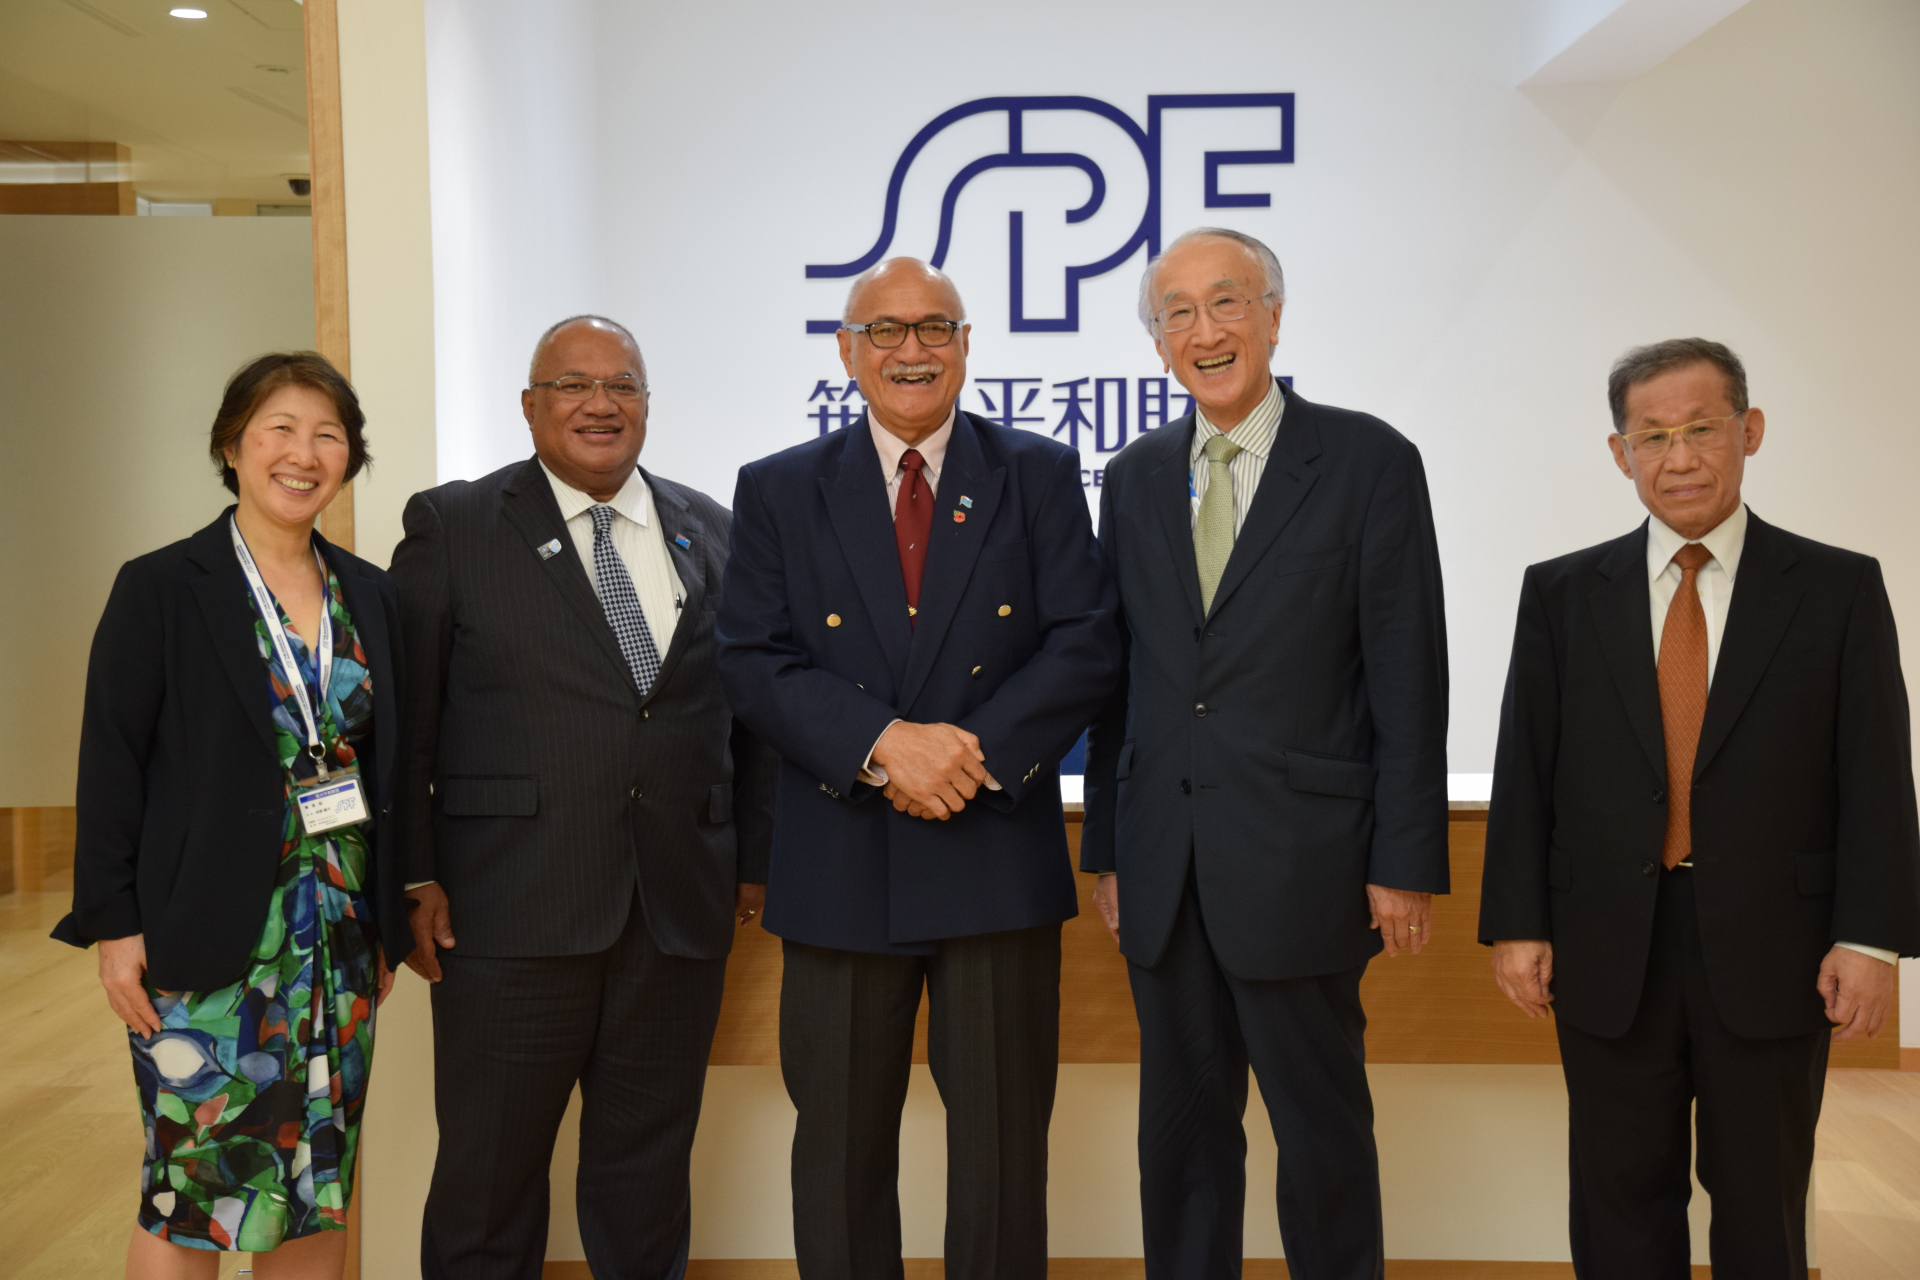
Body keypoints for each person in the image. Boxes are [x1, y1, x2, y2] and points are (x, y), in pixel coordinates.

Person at [1479, 337, 1920, 1277]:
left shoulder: (1837, 588)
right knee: (1618, 1201)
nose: (1679, 458)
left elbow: (1878, 776)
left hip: (1776, 951)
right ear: (1619, 453)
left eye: (1702, 430)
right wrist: (1516, 923)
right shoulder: (1560, 595)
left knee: (1764, 1203)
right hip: (1610, 946)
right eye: (1653, 436)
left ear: (1749, 432)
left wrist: (1872, 939)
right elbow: (1527, 769)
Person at [715, 257, 1121, 1279]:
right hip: (840, 856)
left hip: (991, 850)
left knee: (1000, 1150)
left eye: (935, 326)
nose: (913, 348)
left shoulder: (1036, 470)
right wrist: (884, 743)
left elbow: (1086, 641)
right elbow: (752, 660)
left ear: (968, 344)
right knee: (841, 1148)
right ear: (848, 352)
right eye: (886, 329)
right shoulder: (777, 488)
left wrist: (966, 751)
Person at [1080, 227, 1450, 1280]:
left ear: (1274, 318)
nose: (1205, 331)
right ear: (1157, 343)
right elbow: (1125, 678)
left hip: (1307, 861)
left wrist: (1403, 858)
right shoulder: (1136, 474)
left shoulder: (1369, 459)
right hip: (1165, 864)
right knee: (1183, 1140)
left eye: (1227, 303)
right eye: (1177, 314)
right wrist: (1110, 845)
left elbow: (1409, 673)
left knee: (1320, 1138)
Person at [389, 315, 776, 1280]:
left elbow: (751, 718)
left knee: (645, 1180)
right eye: (572, 385)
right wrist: (411, 872)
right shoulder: (456, 526)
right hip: (507, 910)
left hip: (675, 911)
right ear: (530, 406)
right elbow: (404, 723)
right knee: (489, 1181)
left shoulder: (714, 530)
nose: (600, 404)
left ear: (648, 404)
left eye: (623, 386)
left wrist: (754, 861)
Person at [56, 352, 405, 1279]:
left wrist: (389, 920)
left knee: (315, 1183)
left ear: (349, 457)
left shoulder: (371, 596)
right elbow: (111, 763)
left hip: (335, 937)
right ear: (232, 447)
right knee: (191, 1190)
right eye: (278, 430)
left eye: (327, 434)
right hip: (205, 941)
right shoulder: (163, 587)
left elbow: (393, 767)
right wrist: (114, 923)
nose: (304, 452)